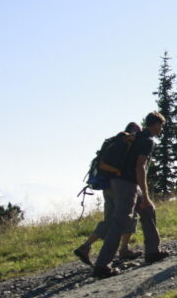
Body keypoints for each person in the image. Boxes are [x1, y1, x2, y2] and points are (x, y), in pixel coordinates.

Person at [92, 112, 170, 278]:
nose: (161, 129)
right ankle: (102, 265)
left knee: (149, 211)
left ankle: (153, 251)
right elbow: (140, 167)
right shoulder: (147, 141)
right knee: (120, 222)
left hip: (120, 181)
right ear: (154, 124)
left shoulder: (134, 137)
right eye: (160, 125)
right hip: (127, 184)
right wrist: (146, 195)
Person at [73, 122, 143, 266]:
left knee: (110, 219)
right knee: (130, 214)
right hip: (120, 185)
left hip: (107, 185)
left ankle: (85, 246)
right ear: (134, 132)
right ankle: (124, 249)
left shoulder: (114, 142)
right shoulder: (125, 144)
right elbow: (113, 165)